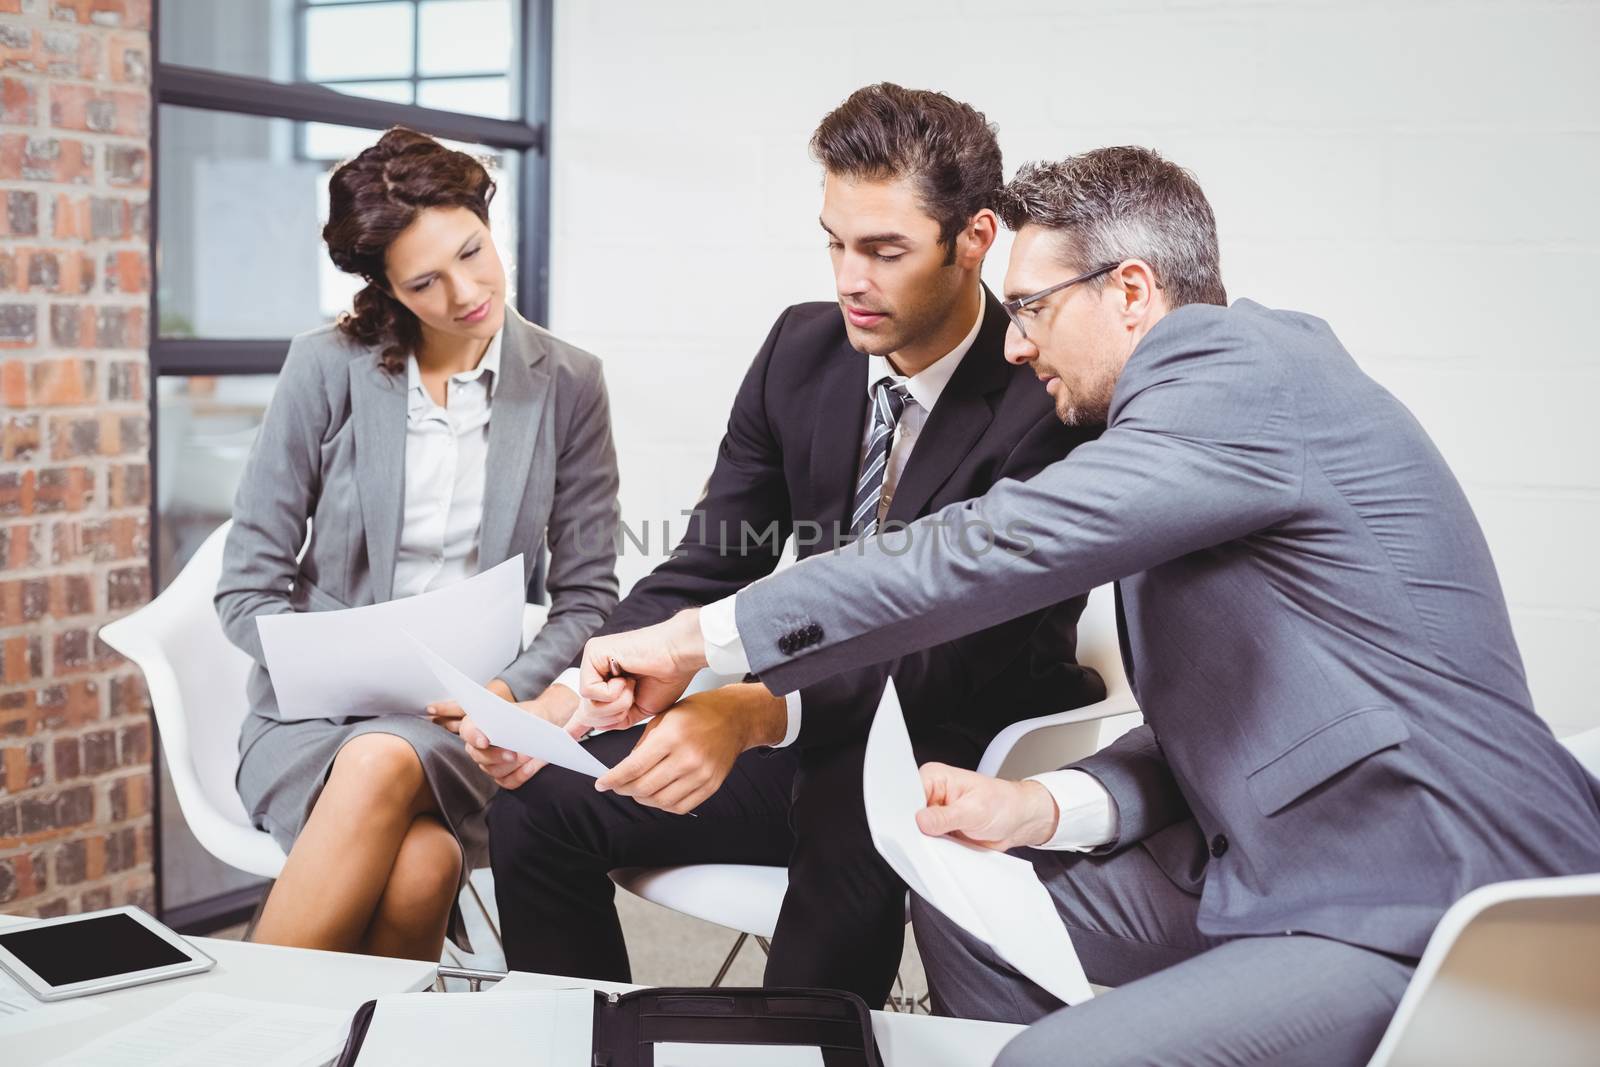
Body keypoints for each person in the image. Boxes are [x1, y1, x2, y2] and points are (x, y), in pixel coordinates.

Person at [572, 146, 1600, 1064]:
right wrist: (1046, 805)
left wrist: (702, 637)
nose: (1014, 346)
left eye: (1031, 307)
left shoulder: (1235, 372)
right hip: (1271, 859)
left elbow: (988, 542)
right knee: (964, 898)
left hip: (1420, 885)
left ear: (1133, 292)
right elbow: (1239, 713)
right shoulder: (1193, 439)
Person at [469, 84, 1102, 1005]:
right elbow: (711, 557)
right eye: (836, 242)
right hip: (808, 711)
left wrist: (749, 710)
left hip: (962, 735)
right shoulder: (801, 351)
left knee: (849, 813)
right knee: (539, 807)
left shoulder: (1041, 392)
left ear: (975, 239)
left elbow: (953, 645)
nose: (850, 279)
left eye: (885, 250)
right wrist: (576, 694)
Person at [215, 127, 620, 962]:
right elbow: (244, 590)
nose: (467, 291)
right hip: (314, 722)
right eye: (425, 282)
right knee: (421, 860)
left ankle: (241, 1030)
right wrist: (330, 656)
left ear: (485, 218)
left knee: (386, 766)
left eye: (473, 252)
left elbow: (587, 596)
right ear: (388, 288)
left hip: (468, 723)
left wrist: (508, 687)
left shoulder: (569, 383)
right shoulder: (325, 368)